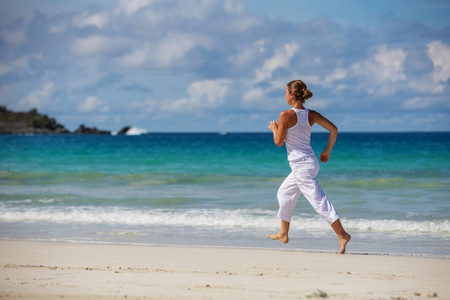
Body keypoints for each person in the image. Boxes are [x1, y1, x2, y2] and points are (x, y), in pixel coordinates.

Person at [268, 80, 351, 254]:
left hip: (301, 167)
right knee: (284, 192)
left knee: (318, 201)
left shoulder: (285, 115)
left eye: (285, 92)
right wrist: (327, 151)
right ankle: (283, 233)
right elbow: (334, 129)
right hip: (310, 163)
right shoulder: (311, 114)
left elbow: (278, 142)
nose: (284, 96)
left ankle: (342, 234)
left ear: (292, 95)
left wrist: (274, 129)